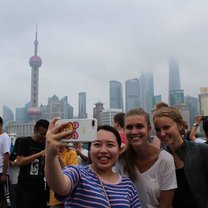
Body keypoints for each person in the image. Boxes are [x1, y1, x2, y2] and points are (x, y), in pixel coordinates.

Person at [45, 118, 141, 208]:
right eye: (97, 144)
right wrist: (50, 154)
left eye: (110, 145)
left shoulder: (128, 186)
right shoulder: (78, 173)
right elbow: (60, 186)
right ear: (90, 149)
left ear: (119, 150)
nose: (103, 150)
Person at [114, 108, 177, 208]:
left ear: (148, 129)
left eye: (139, 126)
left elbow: (165, 205)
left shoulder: (165, 160)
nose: (134, 132)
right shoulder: (120, 159)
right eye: (129, 127)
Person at [153, 107, 208, 208]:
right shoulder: (161, 159)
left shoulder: (202, 150)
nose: (162, 133)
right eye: (157, 129)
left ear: (180, 125)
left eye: (166, 127)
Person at [16, 119, 49, 208]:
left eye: (46, 134)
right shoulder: (24, 142)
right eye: (42, 134)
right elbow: (19, 162)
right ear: (35, 130)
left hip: (40, 187)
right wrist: (38, 154)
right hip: (25, 187)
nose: (44, 136)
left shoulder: (46, 144)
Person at [0, 117, 11, 208]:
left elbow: (6, 155)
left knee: (2, 196)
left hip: (1, 172)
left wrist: (4, 174)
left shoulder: (5, 137)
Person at [9, 138, 21, 208]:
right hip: (14, 181)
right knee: (14, 201)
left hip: (17, 181)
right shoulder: (14, 153)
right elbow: (12, 163)